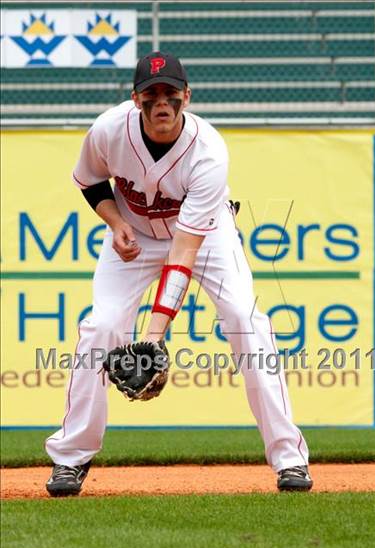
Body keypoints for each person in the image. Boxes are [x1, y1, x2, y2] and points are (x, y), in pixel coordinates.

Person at [45, 51, 312, 496]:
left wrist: (153, 334)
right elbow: (90, 182)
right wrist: (117, 224)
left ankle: (290, 458)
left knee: (247, 323)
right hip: (135, 235)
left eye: (170, 92)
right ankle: (70, 459)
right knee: (101, 328)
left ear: (186, 96)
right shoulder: (108, 131)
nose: (162, 101)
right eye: (152, 93)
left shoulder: (208, 151)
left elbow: (184, 252)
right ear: (136, 99)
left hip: (205, 237)